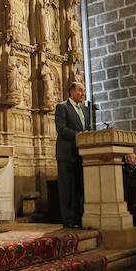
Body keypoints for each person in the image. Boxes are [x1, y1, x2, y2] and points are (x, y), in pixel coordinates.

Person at [55, 81, 90, 229]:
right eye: (80, 90)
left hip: (82, 155)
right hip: (67, 154)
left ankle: (79, 217)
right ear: (71, 91)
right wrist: (81, 135)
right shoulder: (62, 107)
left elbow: (87, 128)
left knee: (79, 188)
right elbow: (61, 129)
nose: (83, 93)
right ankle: (69, 220)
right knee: (67, 189)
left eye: (84, 91)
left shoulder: (85, 109)